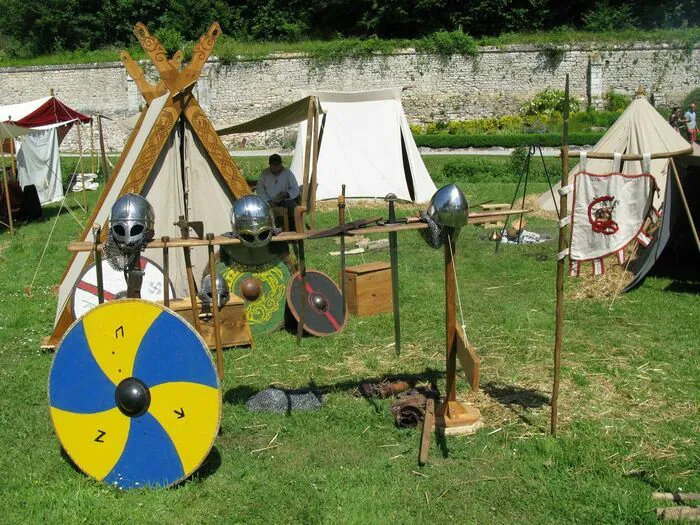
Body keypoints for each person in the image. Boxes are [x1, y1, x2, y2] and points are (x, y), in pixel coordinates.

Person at [256, 154, 300, 228]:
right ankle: (267, 231)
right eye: (274, 166)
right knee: (259, 211)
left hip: (285, 200)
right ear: (270, 165)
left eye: (278, 165)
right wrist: (269, 201)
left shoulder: (287, 173)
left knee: (294, 209)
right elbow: (260, 190)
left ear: (280, 164)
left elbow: (295, 189)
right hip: (269, 201)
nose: (276, 168)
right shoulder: (264, 174)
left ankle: (293, 230)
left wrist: (287, 194)